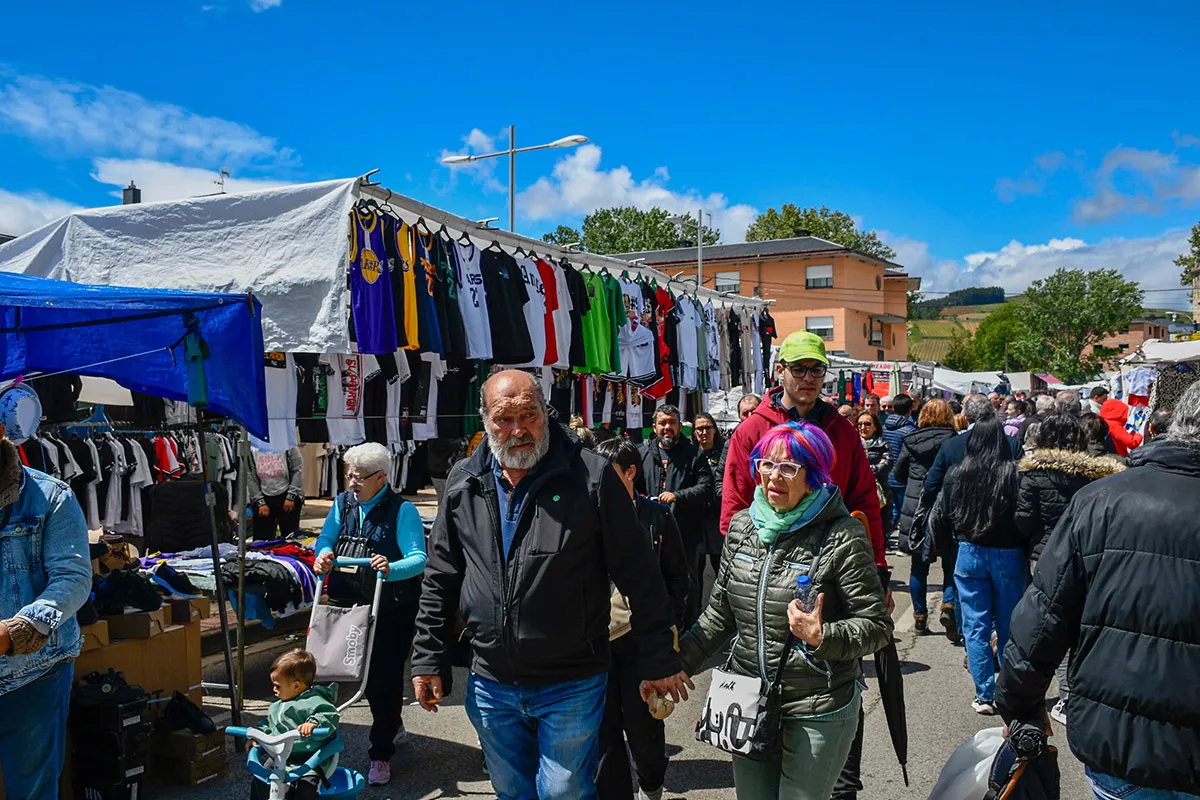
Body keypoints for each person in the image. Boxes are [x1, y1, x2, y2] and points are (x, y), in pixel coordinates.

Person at [409, 370, 689, 800]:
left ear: (546, 411)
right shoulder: (464, 482)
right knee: (511, 790)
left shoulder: (591, 477)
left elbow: (640, 574)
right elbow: (441, 575)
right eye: (505, 418)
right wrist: (428, 656)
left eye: (529, 414)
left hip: (572, 679)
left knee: (563, 791)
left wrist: (659, 658)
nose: (519, 429)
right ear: (485, 420)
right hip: (490, 681)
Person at [997, 381, 1200, 799]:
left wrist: (1021, 706)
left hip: (1125, 749)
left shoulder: (1102, 500)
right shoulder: (1099, 496)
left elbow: (1043, 618)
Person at [677, 421, 893, 800]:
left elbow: (876, 625)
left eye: (789, 467)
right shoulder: (744, 526)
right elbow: (719, 615)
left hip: (818, 704)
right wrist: (675, 663)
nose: (775, 476)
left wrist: (823, 635)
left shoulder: (841, 534)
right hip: (749, 697)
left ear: (813, 476)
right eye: (766, 464)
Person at [720, 332, 889, 800]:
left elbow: (863, 500)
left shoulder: (842, 429)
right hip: (769, 585)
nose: (809, 378)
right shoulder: (752, 429)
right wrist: (750, 570)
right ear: (781, 372)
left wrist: (875, 566)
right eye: (799, 369)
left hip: (834, 581)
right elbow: (734, 504)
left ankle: (841, 787)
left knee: (832, 694)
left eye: (816, 370)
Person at [313, 442, 426, 786]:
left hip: (391, 607)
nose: (351, 483)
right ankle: (390, 721)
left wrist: (391, 567)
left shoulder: (402, 510)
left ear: (381, 478)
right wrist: (324, 554)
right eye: (348, 475)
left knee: (382, 679)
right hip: (347, 602)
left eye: (359, 477)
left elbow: (418, 558)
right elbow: (325, 538)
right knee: (332, 669)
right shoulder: (342, 504)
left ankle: (380, 753)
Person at [0, 389, 92, 800]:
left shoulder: (51, 496)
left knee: (32, 791)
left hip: (35, 672)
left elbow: (73, 578)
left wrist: (20, 628)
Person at [593, 438, 690, 800]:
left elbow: (679, 577)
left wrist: (669, 627)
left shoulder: (657, 516)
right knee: (604, 731)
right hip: (598, 641)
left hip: (643, 642)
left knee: (644, 727)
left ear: (631, 473)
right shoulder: (589, 513)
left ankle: (651, 786)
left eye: (609, 474)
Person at [1014, 413, 1124, 727]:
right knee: (1085, 624)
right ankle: (1076, 691)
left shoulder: (1034, 475)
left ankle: (1062, 694)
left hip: (1045, 557)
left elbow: (1024, 521)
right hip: (1091, 557)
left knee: (1048, 624)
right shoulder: (1099, 476)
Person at [929, 414, 1026, 715]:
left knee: (975, 626)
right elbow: (1026, 515)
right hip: (1009, 553)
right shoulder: (1016, 473)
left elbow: (944, 515)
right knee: (1011, 624)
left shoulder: (958, 473)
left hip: (969, 550)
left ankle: (984, 694)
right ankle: (1011, 690)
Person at [636, 405, 714, 629]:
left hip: (684, 533)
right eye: (663, 423)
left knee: (686, 580)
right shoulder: (643, 453)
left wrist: (677, 496)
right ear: (654, 427)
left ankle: (689, 628)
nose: (667, 427)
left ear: (680, 426)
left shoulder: (694, 455)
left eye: (672, 423)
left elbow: (706, 487)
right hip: (649, 532)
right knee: (653, 579)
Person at [894, 399, 958, 633]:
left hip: (917, 507)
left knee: (918, 565)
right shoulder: (955, 441)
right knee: (950, 563)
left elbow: (899, 473)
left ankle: (919, 616)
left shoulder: (910, 441)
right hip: (947, 507)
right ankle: (948, 605)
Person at [250, 649, 340, 800]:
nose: (274, 690)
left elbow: (329, 715)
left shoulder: (314, 701)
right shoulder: (277, 706)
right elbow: (269, 723)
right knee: (262, 780)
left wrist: (313, 723)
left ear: (296, 686)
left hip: (309, 757)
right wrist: (257, 735)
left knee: (306, 789)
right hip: (280, 756)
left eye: (277, 686)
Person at [691, 412, 725, 586]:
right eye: (699, 429)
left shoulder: (724, 452)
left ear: (714, 430)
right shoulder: (690, 455)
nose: (703, 432)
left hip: (717, 517)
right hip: (696, 519)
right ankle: (695, 609)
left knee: (720, 567)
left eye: (707, 428)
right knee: (696, 569)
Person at [247, 445, 305, 540]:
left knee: (290, 539)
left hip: (287, 494)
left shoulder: (287, 444)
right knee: (261, 541)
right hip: (263, 497)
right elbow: (250, 476)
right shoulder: (253, 447)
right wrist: (260, 501)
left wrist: (291, 496)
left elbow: (298, 469)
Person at [881, 394, 918, 533]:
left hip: (886, 474)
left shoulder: (884, 428)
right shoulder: (910, 431)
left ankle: (885, 536)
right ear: (910, 409)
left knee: (892, 510)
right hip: (902, 477)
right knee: (904, 511)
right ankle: (894, 538)